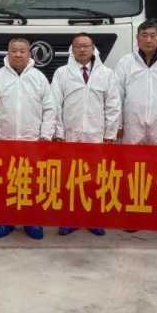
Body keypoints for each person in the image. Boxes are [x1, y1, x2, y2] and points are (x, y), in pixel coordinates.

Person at [0, 37, 56, 240]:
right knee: (5, 182)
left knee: (32, 182)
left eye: (22, 51)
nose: (18, 54)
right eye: (14, 51)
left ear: (29, 53)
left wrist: (45, 136)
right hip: (4, 140)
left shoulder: (39, 78)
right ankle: (5, 220)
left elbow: (50, 109)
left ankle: (32, 221)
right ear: (8, 53)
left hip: (32, 141)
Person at [52, 33, 121, 237]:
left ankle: (93, 219)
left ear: (93, 49)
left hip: (96, 135)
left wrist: (110, 134)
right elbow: (55, 105)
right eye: (78, 46)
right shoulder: (62, 73)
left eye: (86, 46)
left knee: (95, 178)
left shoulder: (106, 74)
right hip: (70, 135)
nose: (82, 50)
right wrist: (58, 132)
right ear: (72, 50)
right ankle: (70, 219)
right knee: (70, 178)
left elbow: (113, 105)